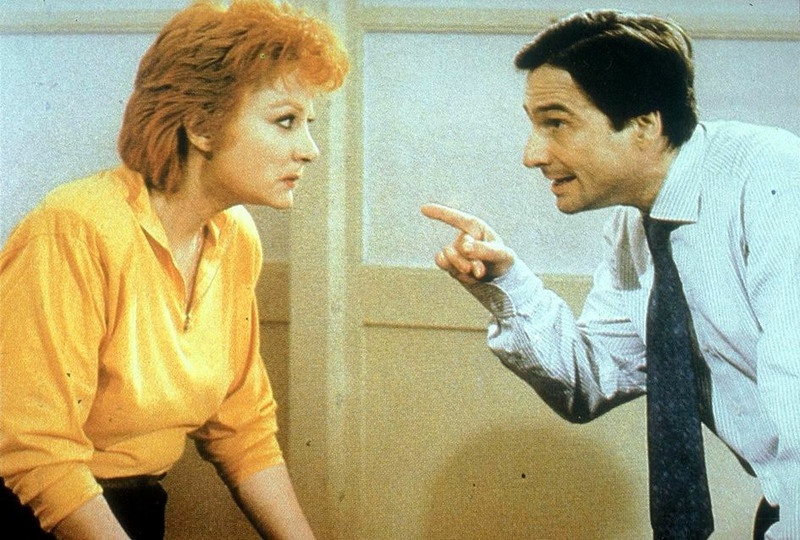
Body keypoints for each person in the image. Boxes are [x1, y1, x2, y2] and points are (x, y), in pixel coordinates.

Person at [422, 9, 798, 540]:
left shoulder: (776, 183)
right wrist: (505, 284)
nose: (532, 155)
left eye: (556, 123)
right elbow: (591, 380)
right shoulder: (636, 224)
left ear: (644, 124)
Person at [0, 0, 348, 538]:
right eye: (286, 121)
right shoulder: (75, 228)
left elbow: (244, 429)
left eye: (309, 123)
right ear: (201, 127)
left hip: (134, 510)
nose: (310, 150)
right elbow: (38, 452)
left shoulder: (234, 238)